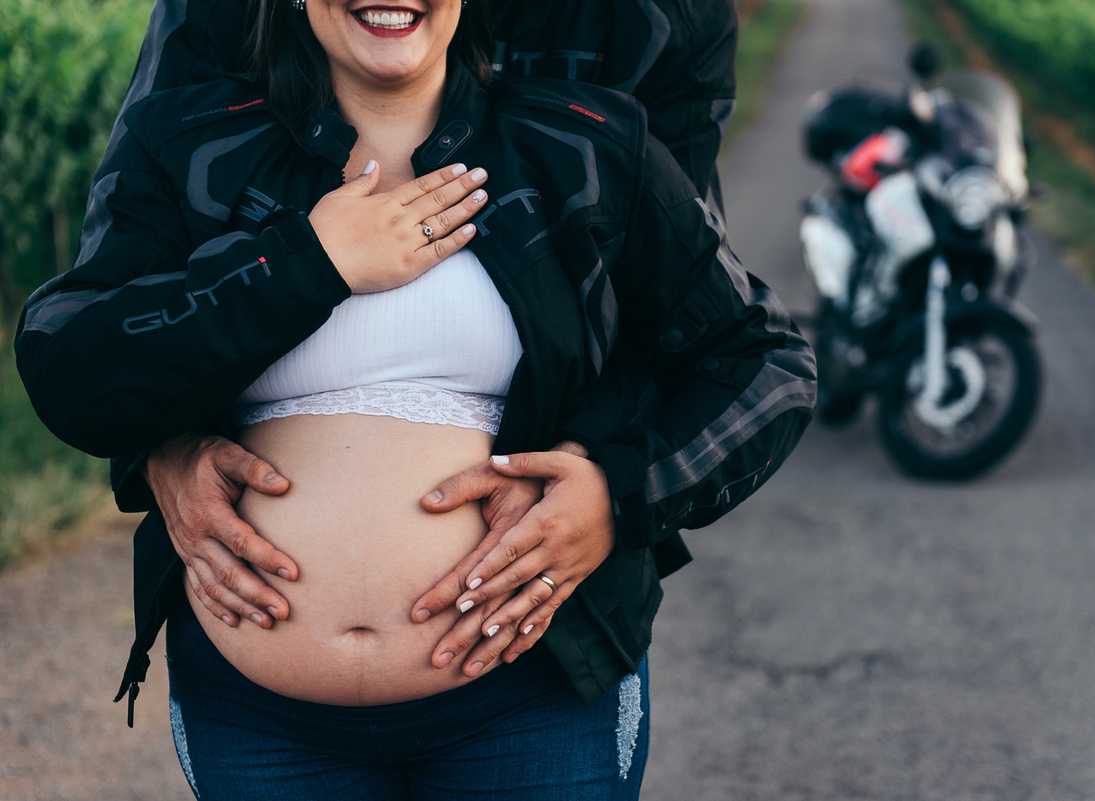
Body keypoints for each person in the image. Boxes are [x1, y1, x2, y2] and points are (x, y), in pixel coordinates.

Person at [15, 0, 815, 796]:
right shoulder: (195, 142)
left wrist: (615, 491)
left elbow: (726, 345)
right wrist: (298, 279)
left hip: (532, 696)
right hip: (259, 718)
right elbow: (78, 355)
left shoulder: (590, 136)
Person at [89, 0, 740, 682]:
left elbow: (673, 305)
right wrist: (159, 443)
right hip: (256, 683)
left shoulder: (669, 21)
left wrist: (607, 484)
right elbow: (131, 265)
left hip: (532, 656)